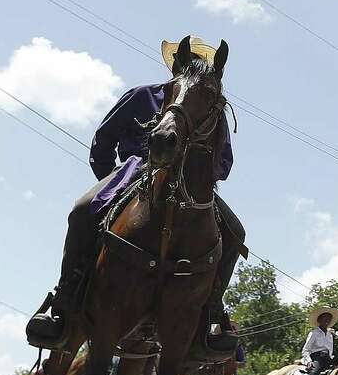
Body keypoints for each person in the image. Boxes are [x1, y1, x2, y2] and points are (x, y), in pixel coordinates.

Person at [26, 36, 244, 358]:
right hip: (133, 173)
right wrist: (114, 185)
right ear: (178, 65)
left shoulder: (212, 109)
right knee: (83, 210)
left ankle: (210, 314)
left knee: (235, 233)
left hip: (189, 187)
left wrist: (199, 170)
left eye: (201, 63)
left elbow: (224, 162)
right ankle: (64, 301)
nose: (194, 68)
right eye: (189, 62)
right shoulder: (143, 96)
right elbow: (104, 141)